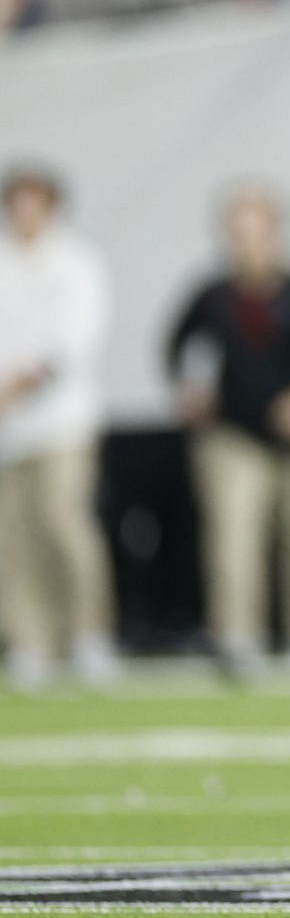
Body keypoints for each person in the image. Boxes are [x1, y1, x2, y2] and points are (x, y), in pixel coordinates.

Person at [167, 187, 290, 682]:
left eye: (256, 234)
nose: (246, 245)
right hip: (233, 436)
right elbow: (182, 353)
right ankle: (236, 639)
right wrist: (190, 389)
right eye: (238, 235)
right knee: (233, 537)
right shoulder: (211, 297)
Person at [0, 166, 117, 688]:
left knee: (64, 524)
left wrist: (20, 384)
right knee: (12, 538)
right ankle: (31, 642)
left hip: (62, 423)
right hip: (7, 431)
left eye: (34, 202)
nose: (25, 212)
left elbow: (73, 343)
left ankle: (90, 636)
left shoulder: (76, 263)